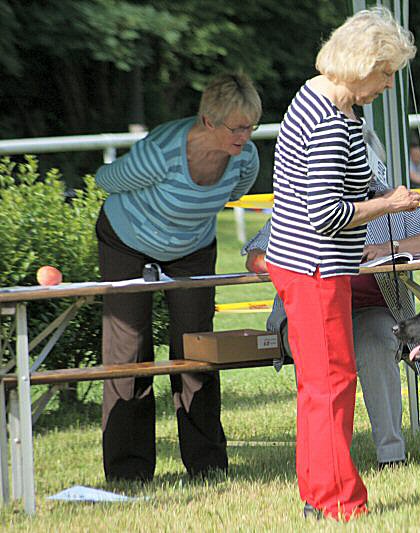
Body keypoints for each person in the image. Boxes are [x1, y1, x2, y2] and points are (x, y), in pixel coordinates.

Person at [261, 7, 418, 521]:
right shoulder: (331, 121)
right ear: (361, 63)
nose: (389, 85)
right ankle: (341, 502)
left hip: (300, 263)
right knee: (333, 383)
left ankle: (316, 494)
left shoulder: (316, 97)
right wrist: (389, 204)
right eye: (386, 73)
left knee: (317, 385)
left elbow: (331, 190)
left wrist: (379, 193)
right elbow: (327, 215)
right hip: (316, 268)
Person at [94, 72, 262, 482]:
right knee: (129, 352)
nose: (244, 137)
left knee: (197, 348)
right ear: (208, 121)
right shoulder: (162, 153)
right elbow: (105, 180)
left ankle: (207, 464)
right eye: (236, 128)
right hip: (127, 240)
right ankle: (129, 471)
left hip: (192, 246)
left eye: (251, 127)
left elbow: (235, 193)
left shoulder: (245, 158)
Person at [244, 205, 420, 470]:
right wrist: (307, 266)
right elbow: (255, 259)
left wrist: (389, 247)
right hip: (311, 310)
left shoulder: (387, 203)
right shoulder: (304, 203)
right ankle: (325, 459)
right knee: (318, 349)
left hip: (370, 311)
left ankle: (391, 455)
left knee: (376, 344)